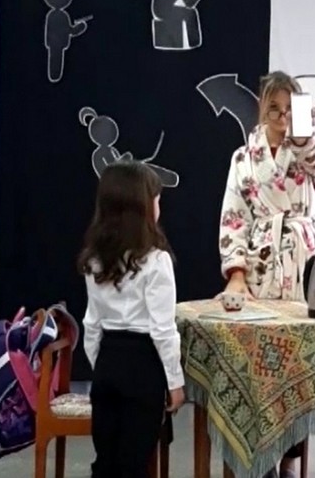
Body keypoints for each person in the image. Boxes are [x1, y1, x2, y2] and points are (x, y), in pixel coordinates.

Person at [218, 71, 315, 477]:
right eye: (274, 109)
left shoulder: (311, 148)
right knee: (260, 370)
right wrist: (236, 273)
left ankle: (290, 460)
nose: (282, 118)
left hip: (301, 267)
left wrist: (303, 134)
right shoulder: (243, 158)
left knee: (297, 369)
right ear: (261, 110)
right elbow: (234, 217)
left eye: (289, 109)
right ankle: (259, 458)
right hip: (260, 268)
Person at [79, 161, 185, 478]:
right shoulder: (157, 261)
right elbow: (163, 330)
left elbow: (91, 323)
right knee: (134, 463)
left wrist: (100, 366)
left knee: (105, 460)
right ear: (144, 208)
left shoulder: (94, 261)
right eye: (157, 199)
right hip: (143, 368)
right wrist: (175, 382)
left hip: (107, 362)